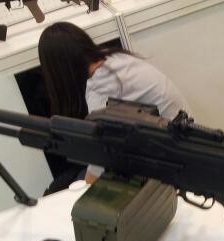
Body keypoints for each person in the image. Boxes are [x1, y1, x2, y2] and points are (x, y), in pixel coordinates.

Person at [38, 22, 190, 187]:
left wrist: (87, 189)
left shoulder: (100, 85)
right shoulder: (114, 58)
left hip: (169, 157)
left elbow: (102, 153)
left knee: (63, 185)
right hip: (178, 139)